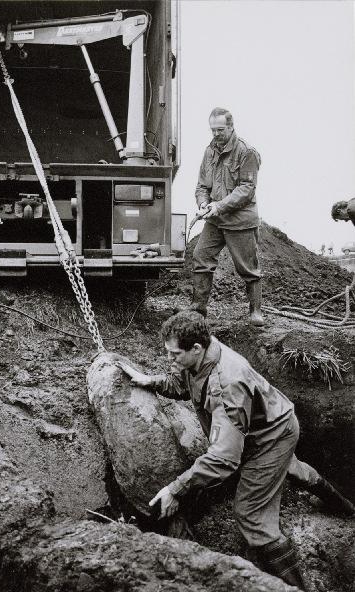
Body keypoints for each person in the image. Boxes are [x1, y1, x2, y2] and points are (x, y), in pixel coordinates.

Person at [117, 312, 354, 590]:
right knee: (289, 467)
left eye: (174, 354)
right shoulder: (201, 354)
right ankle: (347, 507)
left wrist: (176, 489)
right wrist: (153, 381)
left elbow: (225, 458)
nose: (170, 360)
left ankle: (294, 586)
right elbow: (184, 384)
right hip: (260, 426)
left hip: (272, 435)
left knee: (251, 514)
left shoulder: (227, 383)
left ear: (196, 348)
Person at [186, 107, 264, 326]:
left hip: (240, 221)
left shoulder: (247, 152)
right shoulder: (209, 151)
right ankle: (198, 311)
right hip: (215, 220)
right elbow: (202, 185)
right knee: (201, 257)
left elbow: (247, 189)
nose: (216, 134)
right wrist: (203, 204)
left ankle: (255, 312)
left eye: (220, 129)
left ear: (231, 127)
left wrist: (218, 206)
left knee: (247, 268)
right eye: (212, 130)